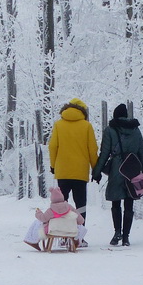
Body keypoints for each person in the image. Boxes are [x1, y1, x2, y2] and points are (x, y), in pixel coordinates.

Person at [93, 103, 143, 246]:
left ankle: (117, 232)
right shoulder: (136, 130)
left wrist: (96, 172)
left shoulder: (110, 130)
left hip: (117, 169)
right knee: (129, 201)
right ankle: (126, 237)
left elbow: (104, 154)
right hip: (133, 168)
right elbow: (142, 152)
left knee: (116, 202)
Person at [48, 97, 98, 226]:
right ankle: (79, 235)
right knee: (80, 204)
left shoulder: (58, 125)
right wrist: (96, 169)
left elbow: (53, 146)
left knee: (60, 204)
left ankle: (63, 233)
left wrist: (53, 165)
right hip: (80, 172)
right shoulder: (86, 126)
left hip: (63, 171)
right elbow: (92, 149)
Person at [23, 186, 86, 251]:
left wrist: (38, 213)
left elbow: (43, 218)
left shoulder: (51, 210)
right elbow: (81, 221)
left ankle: (32, 240)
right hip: (70, 229)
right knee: (80, 227)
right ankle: (76, 240)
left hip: (53, 230)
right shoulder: (70, 207)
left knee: (37, 222)